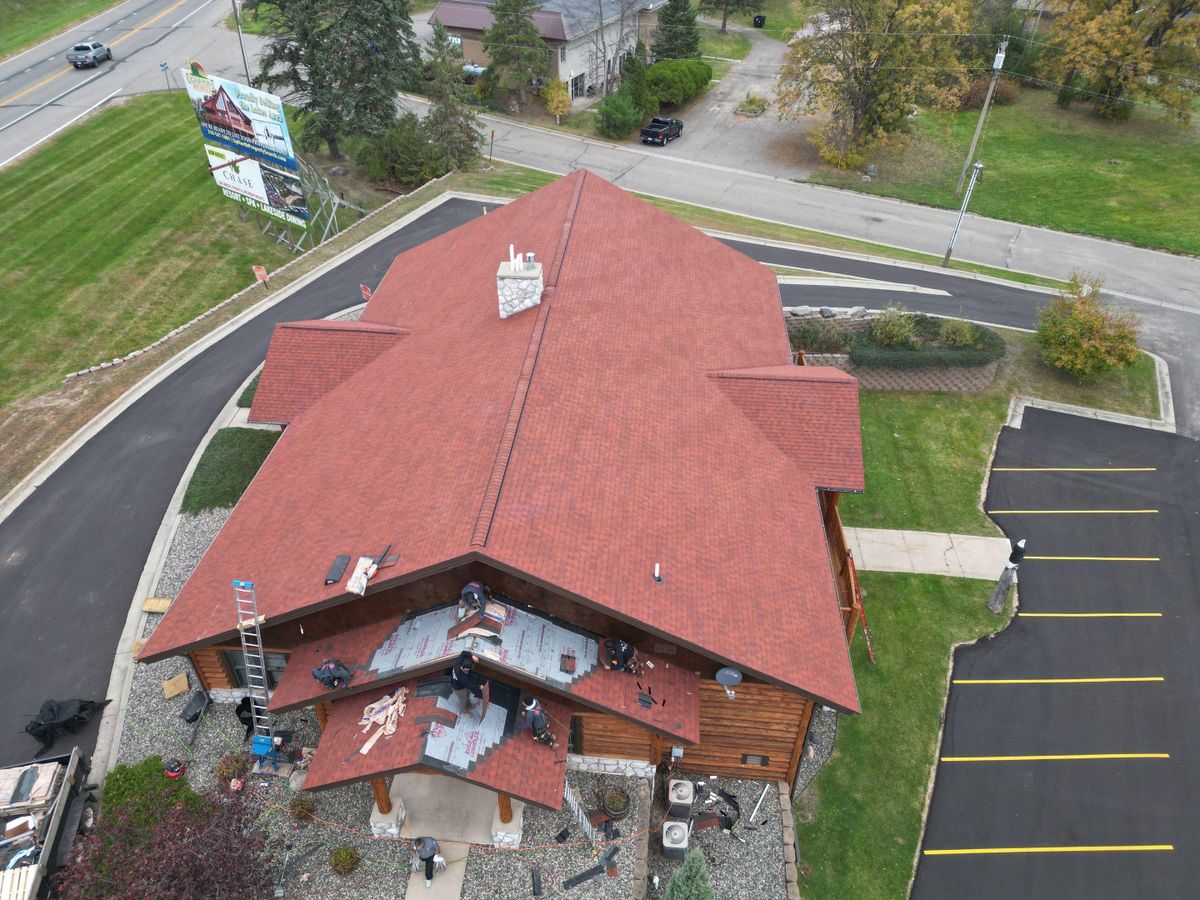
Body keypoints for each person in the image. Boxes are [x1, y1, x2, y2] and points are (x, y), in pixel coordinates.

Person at [449, 651, 485, 719]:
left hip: (462, 685)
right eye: (468, 669)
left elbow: (463, 653)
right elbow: (469, 685)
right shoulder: (462, 677)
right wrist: (479, 686)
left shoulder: (458, 663)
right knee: (463, 699)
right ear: (465, 668)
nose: (469, 670)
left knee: (468, 694)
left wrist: (472, 656)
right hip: (458, 688)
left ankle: (468, 705)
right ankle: (463, 711)